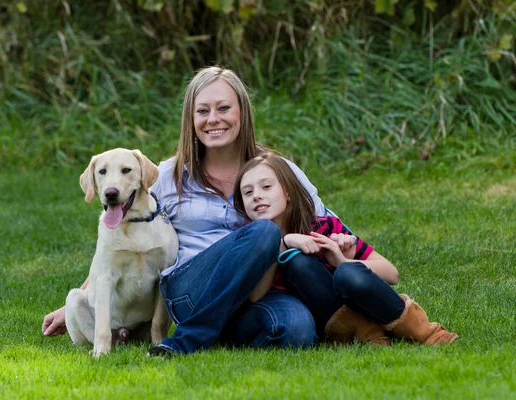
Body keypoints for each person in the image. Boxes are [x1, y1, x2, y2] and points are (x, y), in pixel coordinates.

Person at [42, 66, 355, 355]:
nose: (213, 119)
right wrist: (80, 300)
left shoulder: (278, 171)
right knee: (264, 232)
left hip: (258, 292)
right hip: (191, 291)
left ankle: (217, 331)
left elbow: (334, 228)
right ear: (190, 120)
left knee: (297, 329)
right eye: (202, 111)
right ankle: (190, 337)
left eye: (223, 108)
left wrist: (357, 264)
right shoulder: (166, 177)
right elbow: (118, 241)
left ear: (242, 113)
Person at [233, 152, 459, 345]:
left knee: (348, 273)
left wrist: (340, 259)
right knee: (297, 261)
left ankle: (425, 333)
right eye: (248, 192)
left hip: (351, 297)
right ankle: (369, 337)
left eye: (266, 186)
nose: (257, 196)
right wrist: (283, 243)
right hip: (322, 318)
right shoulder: (249, 241)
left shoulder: (323, 227)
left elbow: (392, 273)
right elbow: (256, 296)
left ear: (288, 191)